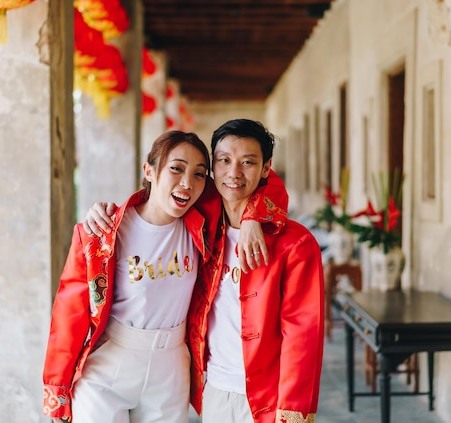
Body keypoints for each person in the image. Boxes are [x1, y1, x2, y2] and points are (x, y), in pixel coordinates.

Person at [84, 119, 325, 423]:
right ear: (212, 169)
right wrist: (101, 213)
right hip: (214, 390)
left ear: (266, 168)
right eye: (223, 161)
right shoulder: (203, 223)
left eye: (248, 162)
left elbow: (303, 335)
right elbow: (161, 194)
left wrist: (292, 413)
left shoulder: (296, 245)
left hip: (269, 397)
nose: (234, 173)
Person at [43, 130, 287, 423]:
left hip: (171, 368)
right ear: (149, 170)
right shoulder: (103, 234)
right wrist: (56, 390)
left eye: (199, 174)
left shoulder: (203, 221)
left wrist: (252, 217)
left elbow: (259, 181)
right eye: (176, 168)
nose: (187, 183)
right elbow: (68, 314)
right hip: (109, 365)